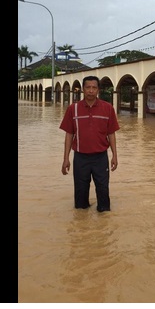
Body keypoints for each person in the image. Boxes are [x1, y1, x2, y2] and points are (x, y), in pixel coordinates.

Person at [60, 75, 120, 212]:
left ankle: (103, 220)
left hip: (101, 158)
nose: (91, 91)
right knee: (80, 199)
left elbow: (111, 134)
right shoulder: (73, 109)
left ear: (98, 90)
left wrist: (115, 156)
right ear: (83, 89)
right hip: (80, 158)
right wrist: (65, 159)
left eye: (94, 87)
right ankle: (82, 221)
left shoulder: (108, 108)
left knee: (103, 193)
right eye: (88, 87)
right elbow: (69, 135)